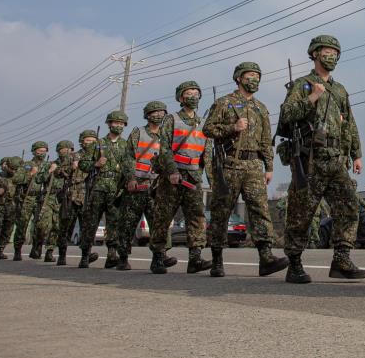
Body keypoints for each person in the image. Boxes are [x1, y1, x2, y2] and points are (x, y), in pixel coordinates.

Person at [279, 35, 365, 284]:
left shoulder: (340, 90)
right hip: (310, 158)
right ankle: (294, 263)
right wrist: (311, 98)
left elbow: (349, 123)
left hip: (336, 159)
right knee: (302, 212)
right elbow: (286, 115)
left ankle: (341, 259)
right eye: (326, 51)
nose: (331, 55)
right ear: (315, 54)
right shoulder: (303, 84)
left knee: (349, 207)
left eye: (335, 52)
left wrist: (356, 154)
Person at [204, 62, 287, 278]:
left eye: (257, 76)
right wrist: (233, 127)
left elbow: (266, 140)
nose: (254, 79)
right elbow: (208, 129)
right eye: (250, 75)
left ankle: (266, 257)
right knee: (222, 211)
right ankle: (217, 259)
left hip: (253, 166)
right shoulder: (225, 103)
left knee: (260, 209)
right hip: (230, 163)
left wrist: (269, 166)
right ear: (239, 78)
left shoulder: (261, 107)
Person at [148, 81, 212, 275]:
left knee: (196, 217)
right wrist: (172, 171)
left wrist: (212, 179)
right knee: (163, 216)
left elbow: (207, 153)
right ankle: (158, 257)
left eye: (196, 93)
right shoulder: (171, 119)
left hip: (193, 176)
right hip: (173, 175)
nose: (193, 96)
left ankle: (195, 258)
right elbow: (165, 148)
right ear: (181, 98)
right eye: (188, 93)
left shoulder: (203, 123)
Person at [117, 101, 167, 271]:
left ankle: (158, 259)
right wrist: (130, 178)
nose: (158, 115)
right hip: (137, 184)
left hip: (157, 186)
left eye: (161, 112)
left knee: (158, 224)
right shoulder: (138, 132)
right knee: (128, 223)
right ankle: (123, 257)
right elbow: (129, 157)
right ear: (147, 115)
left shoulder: (167, 135)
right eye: (154, 112)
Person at [77, 111, 130, 268]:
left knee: (114, 222)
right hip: (99, 187)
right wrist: (95, 164)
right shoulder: (98, 144)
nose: (118, 126)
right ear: (109, 124)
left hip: (116, 188)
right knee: (91, 221)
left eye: (121, 124)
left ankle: (111, 255)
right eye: (115, 123)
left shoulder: (125, 145)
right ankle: (85, 255)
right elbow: (82, 164)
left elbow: (129, 164)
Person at [56, 130, 99, 266]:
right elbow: (57, 171)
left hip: (87, 196)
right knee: (65, 227)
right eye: (87, 140)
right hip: (71, 196)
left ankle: (85, 256)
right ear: (82, 141)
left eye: (93, 140)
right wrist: (70, 168)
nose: (90, 143)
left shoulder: (98, 156)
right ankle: (62, 255)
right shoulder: (72, 156)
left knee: (87, 228)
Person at [13, 141, 49, 261]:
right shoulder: (27, 165)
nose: (42, 153)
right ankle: (17, 250)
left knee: (41, 225)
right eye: (40, 150)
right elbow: (16, 179)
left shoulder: (48, 165)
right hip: (28, 198)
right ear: (34, 151)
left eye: (44, 151)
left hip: (41, 198)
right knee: (22, 224)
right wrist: (30, 174)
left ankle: (36, 249)